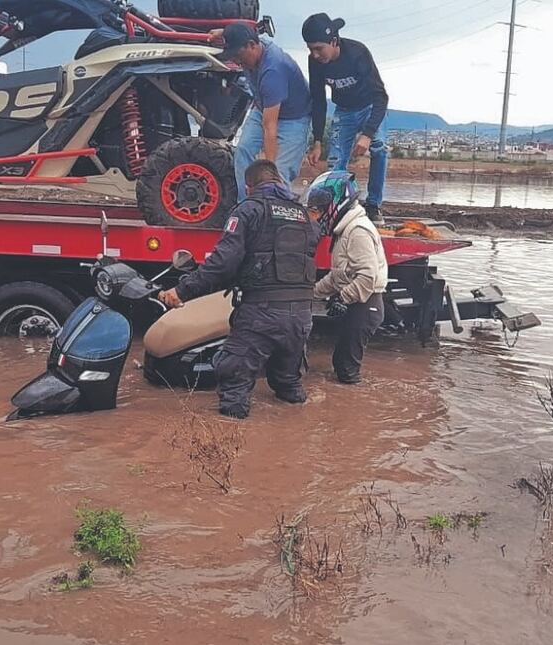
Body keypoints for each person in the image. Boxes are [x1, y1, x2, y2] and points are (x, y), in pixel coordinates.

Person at [158, 159, 321, 419]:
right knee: (289, 388)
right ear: (278, 181)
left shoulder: (248, 211)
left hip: (261, 314)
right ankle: (294, 443)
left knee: (234, 395)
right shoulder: (304, 216)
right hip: (301, 317)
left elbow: (223, 263)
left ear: (248, 186)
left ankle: (235, 452)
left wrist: (182, 291)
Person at [302, 13, 390, 222]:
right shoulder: (315, 63)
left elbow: (381, 96)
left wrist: (367, 134)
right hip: (344, 111)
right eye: (310, 49)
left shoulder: (357, 53)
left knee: (379, 148)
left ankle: (374, 205)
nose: (315, 55)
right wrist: (316, 141)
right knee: (335, 161)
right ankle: (338, 206)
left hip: (370, 106)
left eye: (318, 48)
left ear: (333, 42)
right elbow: (319, 100)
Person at [211, 23, 313, 201]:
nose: (236, 61)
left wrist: (269, 168)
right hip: (262, 108)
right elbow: (246, 29)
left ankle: (275, 213)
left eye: (238, 55)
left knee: (279, 173)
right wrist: (223, 32)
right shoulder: (255, 42)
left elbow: (270, 127)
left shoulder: (273, 70)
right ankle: (246, 207)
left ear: (251, 45)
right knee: (243, 151)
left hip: (293, 119)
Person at [306, 171, 389, 384]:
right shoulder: (344, 231)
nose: (318, 214)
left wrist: (343, 299)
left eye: (321, 208)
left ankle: (353, 411)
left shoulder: (358, 231)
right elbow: (337, 277)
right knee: (340, 362)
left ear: (337, 203)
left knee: (346, 369)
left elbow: (367, 276)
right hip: (358, 303)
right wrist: (309, 292)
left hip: (365, 304)